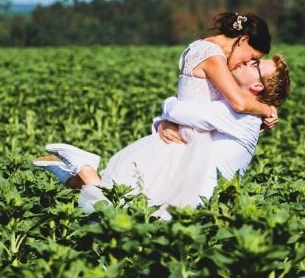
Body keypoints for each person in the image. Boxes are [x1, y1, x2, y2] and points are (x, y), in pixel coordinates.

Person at [36, 54, 290, 218]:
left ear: (257, 87)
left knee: (115, 214)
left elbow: (178, 108)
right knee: (118, 214)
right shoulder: (236, 110)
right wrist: (165, 124)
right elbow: (189, 124)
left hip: (198, 196)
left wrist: (170, 116)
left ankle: (83, 169)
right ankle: (79, 174)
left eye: (256, 65)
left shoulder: (241, 115)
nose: (247, 61)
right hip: (186, 186)